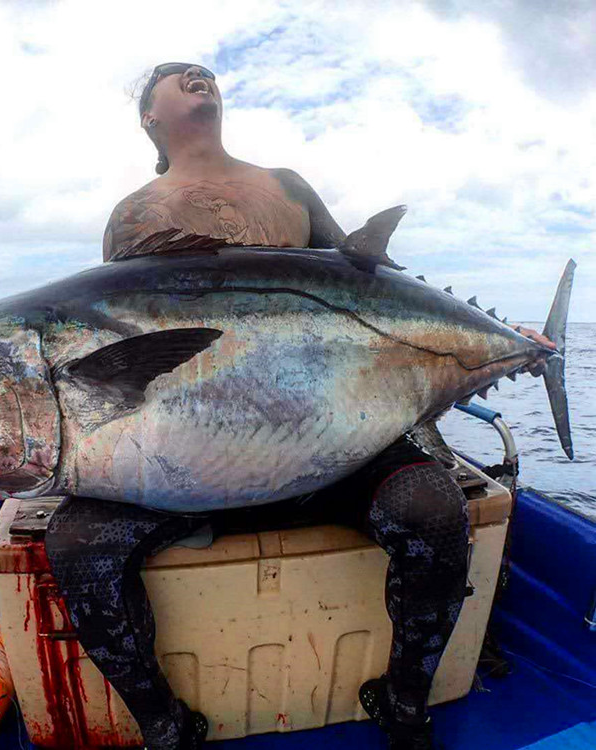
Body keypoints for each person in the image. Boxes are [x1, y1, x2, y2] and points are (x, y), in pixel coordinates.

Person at [46, 62, 553, 750]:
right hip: (189, 456)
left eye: (204, 73)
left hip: (331, 437)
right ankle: (165, 727)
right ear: (149, 118)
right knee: (75, 544)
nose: (198, 76)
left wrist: (497, 338)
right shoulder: (133, 213)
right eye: (174, 77)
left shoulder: (285, 186)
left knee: (433, 511)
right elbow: (126, 340)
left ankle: (404, 704)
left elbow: (373, 288)